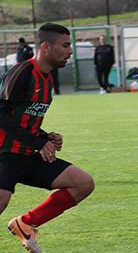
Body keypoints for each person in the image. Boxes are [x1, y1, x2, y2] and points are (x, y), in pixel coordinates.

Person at [0, 23, 95, 253]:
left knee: (83, 183)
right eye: (65, 45)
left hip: (28, 153)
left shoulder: (48, 79)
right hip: (5, 153)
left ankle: (26, 223)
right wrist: (38, 142)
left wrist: (45, 136)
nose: (70, 51)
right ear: (46, 46)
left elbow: (24, 117)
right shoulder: (22, 72)